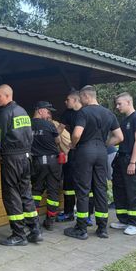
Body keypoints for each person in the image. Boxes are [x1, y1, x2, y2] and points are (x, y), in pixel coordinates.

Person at [64, 85, 123, 240]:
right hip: (101, 152)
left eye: (81, 98)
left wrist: (73, 144)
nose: (81, 101)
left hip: (85, 151)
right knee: (100, 189)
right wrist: (105, 144)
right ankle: (102, 228)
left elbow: (77, 134)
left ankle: (81, 228)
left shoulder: (83, 112)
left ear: (86, 96)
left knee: (83, 190)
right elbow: (119, 137)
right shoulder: (108, 113)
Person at [0, 84, 42, 246]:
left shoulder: (5, 114)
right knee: (26, 193)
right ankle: (35, 230)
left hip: (12, 158)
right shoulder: (23, 112)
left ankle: (18, 234)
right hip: (26, 157)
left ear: (8, 96)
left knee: (11, 196)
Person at [110, 93, 136, 235]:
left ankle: (135, 223)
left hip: (131, 159)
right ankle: (124, 220)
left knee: (133, 191)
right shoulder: (125, 120)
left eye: (120, 103)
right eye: (117, 104)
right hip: (121, 159)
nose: (117, 106)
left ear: (128, 102)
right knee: (120, 189)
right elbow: (119, 139)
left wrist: (133, 162)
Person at [31, 101, 62, 231]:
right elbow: (58, 141)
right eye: (48, 111)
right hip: (52, 162)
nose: (49, 115)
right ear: (40, 110)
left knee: (36, 191)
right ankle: (50, 222)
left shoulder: (28, 125)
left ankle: (33, 222)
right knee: (53, 191)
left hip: (37, 162)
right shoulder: (49, 125)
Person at [56, 90, 82, 223]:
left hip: (84, 151)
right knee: (68, 181)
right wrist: (52, 139)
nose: (65, 102)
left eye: (68, 100)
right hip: (73, 151)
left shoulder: (85, 112)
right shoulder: (67, 113)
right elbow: (59, 129)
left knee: (85, 183)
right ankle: (68, 213)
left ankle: (87, 215)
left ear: (76, 100)